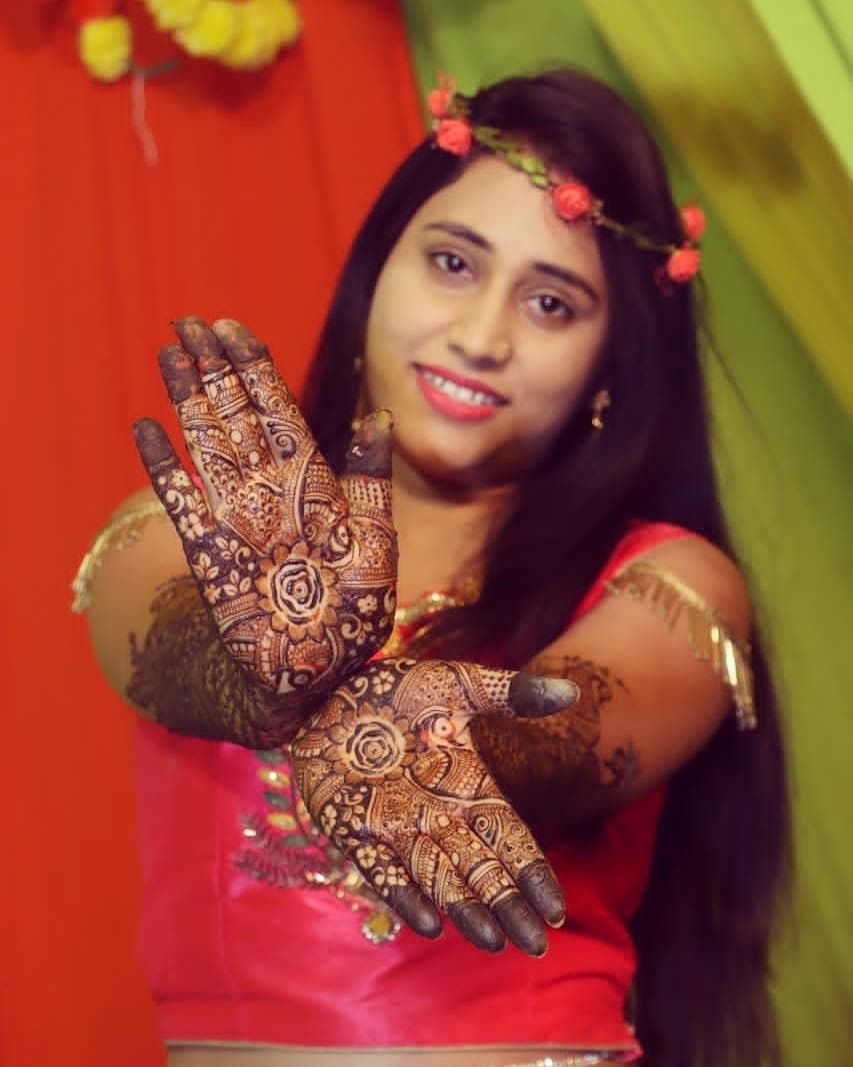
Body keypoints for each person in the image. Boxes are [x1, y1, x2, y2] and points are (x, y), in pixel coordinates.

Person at [75, 69, 791, 1067]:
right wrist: (268, 657)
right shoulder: (194, 530)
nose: (480, 336)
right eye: (453, 263)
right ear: (376, 273)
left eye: (550, 303)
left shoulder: (667, 587)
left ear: (608, 368)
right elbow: (169, 640)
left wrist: (414, 743)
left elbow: (557, 735)